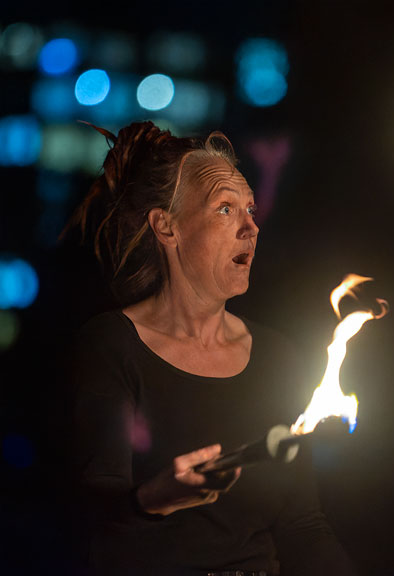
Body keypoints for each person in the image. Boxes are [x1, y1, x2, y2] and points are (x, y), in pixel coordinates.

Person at [63, 121, 357, 576]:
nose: (251, 227)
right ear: (167, 226)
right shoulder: (111, 345)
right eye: (225, 209)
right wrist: (154, 499)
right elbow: (92, 512)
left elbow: (303, 524)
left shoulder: (278, 357)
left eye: (251, 209)